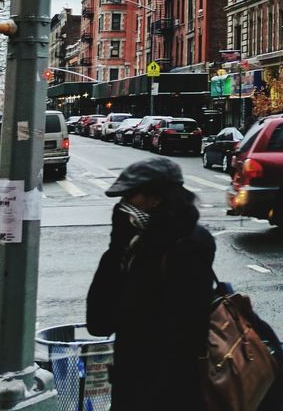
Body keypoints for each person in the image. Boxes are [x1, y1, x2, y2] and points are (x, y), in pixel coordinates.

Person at [86, 157, 216, 411]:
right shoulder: (137, 244)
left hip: (162, 389)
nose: (123, 205)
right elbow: (98, 321)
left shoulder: (178, 248)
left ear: (156, 199)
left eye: (131, 196)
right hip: (140, 380)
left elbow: (184, 332)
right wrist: (117, 248)